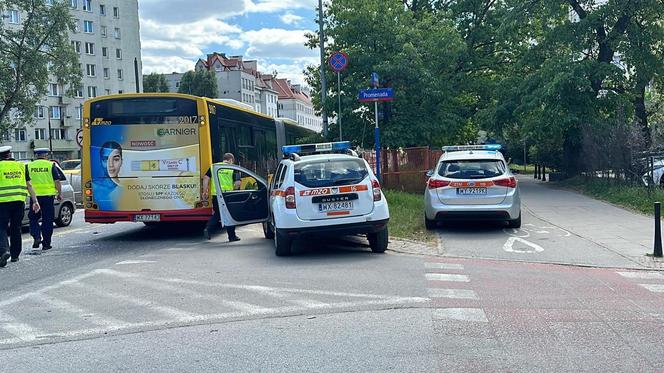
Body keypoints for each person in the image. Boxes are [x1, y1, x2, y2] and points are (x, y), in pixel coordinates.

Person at [0, 146, 40, 267]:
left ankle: (4, 250)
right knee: (16, 227)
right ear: (10, 154)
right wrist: (35, 201)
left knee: (1, 227)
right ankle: (15, 255)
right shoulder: (21, 166)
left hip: (2, 202)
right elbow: (29, 185)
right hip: (19, 202)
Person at [28, 148, 65, 251]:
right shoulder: (50, 165)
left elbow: (27, 182)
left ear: (36, 155)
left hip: (35, 197)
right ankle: (46, 244)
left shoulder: (29, 166)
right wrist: (59, 194)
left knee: (33, 218)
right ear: (46, 155)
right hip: (48, 197)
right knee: (47, 220)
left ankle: (36, 236)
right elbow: (57, 181)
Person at [201, 153, 241, 242]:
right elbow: (238, 183)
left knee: (218, 213)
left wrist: (205, 191)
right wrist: (235, 190)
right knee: (229, 215)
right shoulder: (232, 168)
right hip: (228, 195)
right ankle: (231, 236)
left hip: (216, 195)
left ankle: (208, 229)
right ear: (231, 160)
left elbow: (206, 178)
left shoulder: (213, 167)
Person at [94, 141, 123, 210]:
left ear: (121, 161)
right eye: (106, 159)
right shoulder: (93, 187)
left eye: (115, 159)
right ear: (100, 162)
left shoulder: (129, 187)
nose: (110, 165)